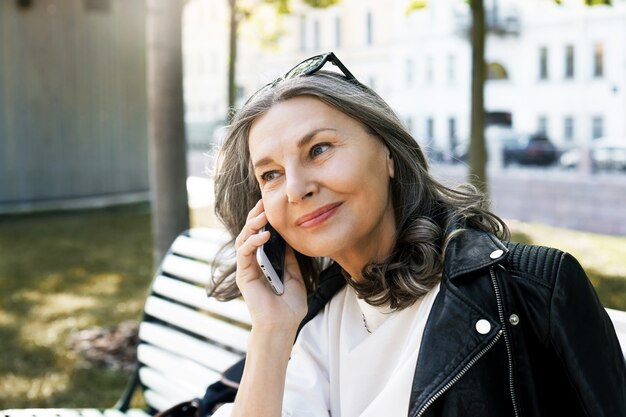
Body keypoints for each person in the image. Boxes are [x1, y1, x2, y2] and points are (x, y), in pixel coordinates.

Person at [208, 52, 626, 417]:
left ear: (388, 153)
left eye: (319, 149)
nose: (297, 188)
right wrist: (272, 329)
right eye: (271, 174)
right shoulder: (315, 324)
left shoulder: (531, 290)